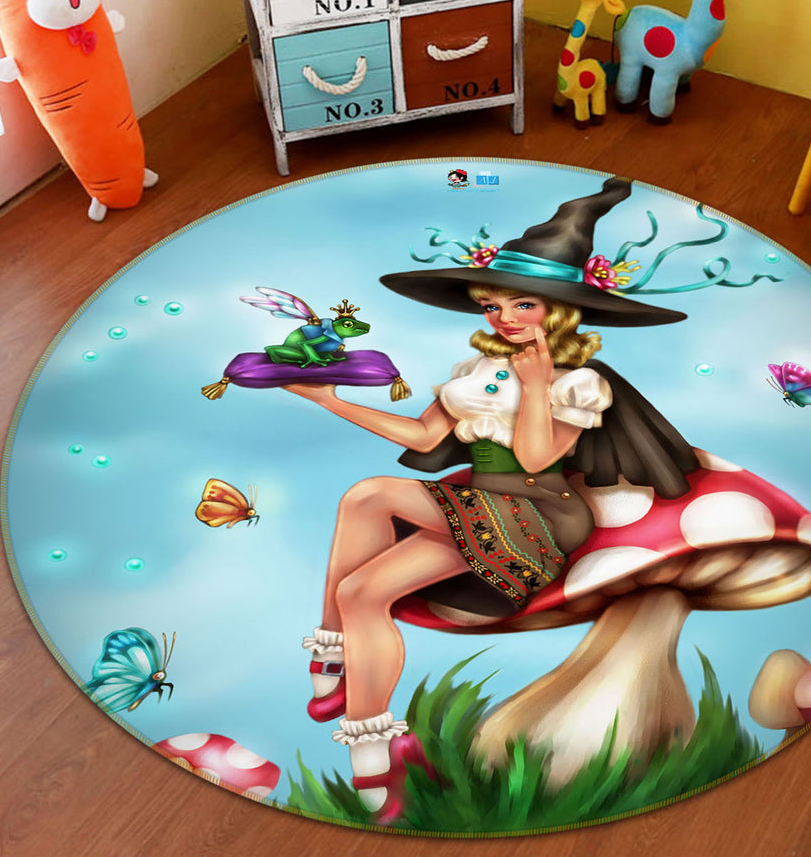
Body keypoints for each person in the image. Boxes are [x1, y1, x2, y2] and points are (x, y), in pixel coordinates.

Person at [288, 177, 698, 823]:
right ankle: (376, 751)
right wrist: (331, 401)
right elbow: (425, 436)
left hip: (540, 514)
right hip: (478, 512)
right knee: (361, 591)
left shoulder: (580, 382)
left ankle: (331, 653)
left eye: (522, 305)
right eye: (494, 305)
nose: (504, 318)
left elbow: (535, 459)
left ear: (557, 311)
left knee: (368, 495)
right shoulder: (475, 372)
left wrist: (537, 388)